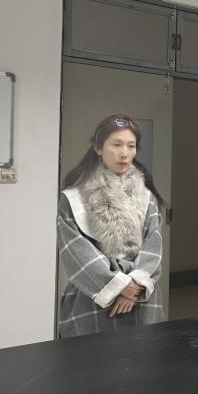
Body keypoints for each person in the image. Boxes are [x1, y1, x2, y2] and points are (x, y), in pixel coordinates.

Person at [57, 115, 166, 337]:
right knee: (91, 356)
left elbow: (153, 244)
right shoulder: (73, 198)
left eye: (131, 146)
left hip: (141, 297)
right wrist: (119, 286)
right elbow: (76, 252)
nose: (124, 153)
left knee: (144, 355)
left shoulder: (147, 197)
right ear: (98, 147)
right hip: (92, 296)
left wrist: (135, 285)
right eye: (116, 144)